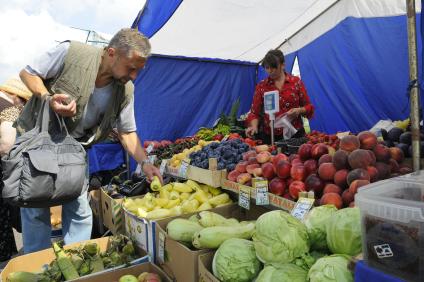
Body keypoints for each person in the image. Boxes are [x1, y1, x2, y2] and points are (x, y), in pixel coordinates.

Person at [15, 28, 163, 253]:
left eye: (138, 71)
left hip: (75, 148)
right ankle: (37, 267)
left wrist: (145, 163)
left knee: (79, 207)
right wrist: (48, 98)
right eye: (131, 68)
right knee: (36, 206)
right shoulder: (71, 52)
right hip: (39, 141)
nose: (133, 76)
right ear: (111, 53)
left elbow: (127, 132)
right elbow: (28, 73)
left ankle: (78, 259)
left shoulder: (125, 90)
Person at [245, 49, 314, 143]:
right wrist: (253, 126)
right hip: (270, 137)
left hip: (295, 135)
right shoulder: (262, 86)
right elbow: (254, 113)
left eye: (274, 68)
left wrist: (298, 111)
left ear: (283, 65)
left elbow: (309, 107)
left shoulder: (296, 82)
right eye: (267, 68)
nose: (270, 71)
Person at [0, 78, 32, 261]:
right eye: (24, 101)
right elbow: (6, 144)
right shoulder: (8, 107)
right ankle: (4, 256)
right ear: (16, 96)